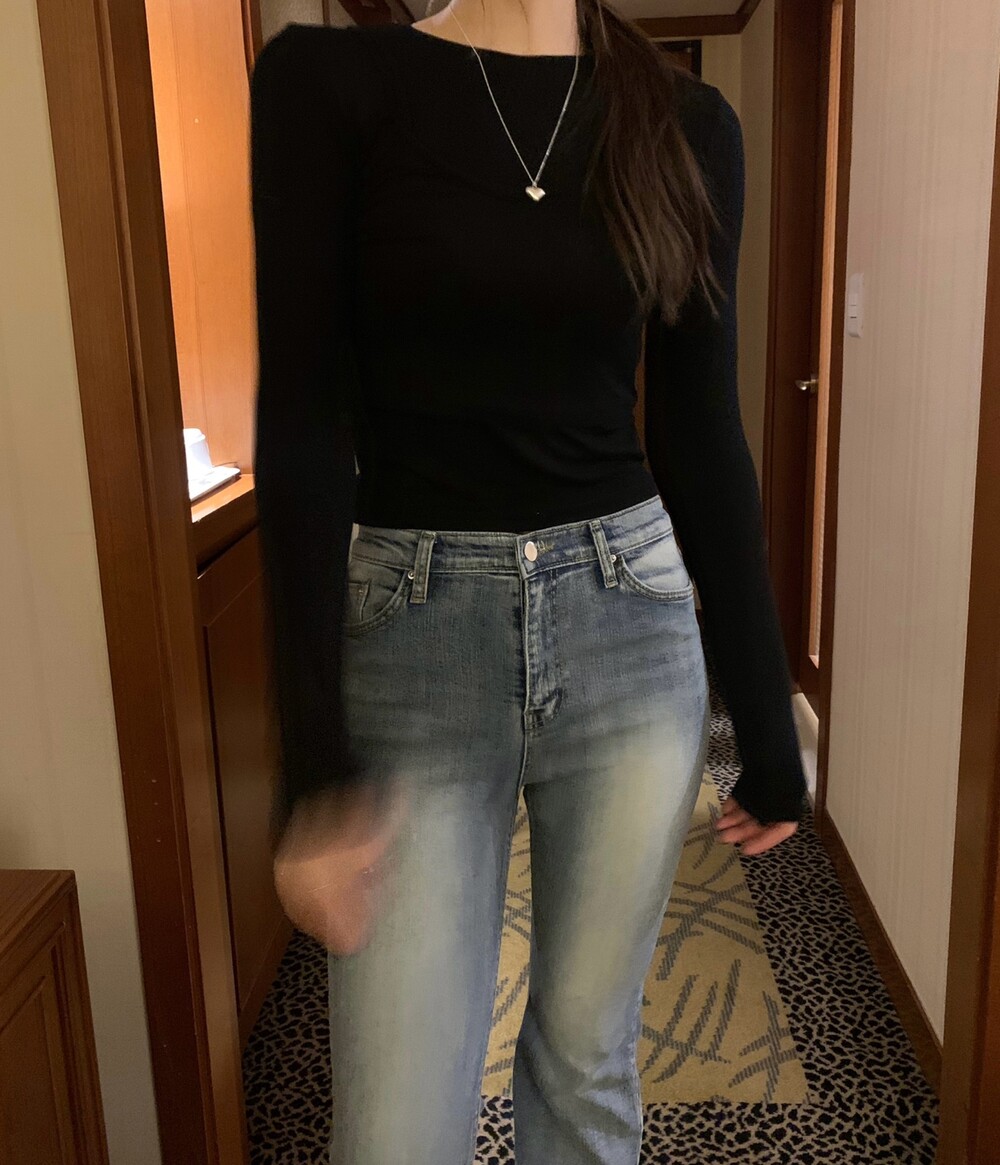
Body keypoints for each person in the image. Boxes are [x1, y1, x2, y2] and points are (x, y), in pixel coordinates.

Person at [249, 1, 806, 1161]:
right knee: (396, 1121)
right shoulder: (331, 83)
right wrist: (311, 772)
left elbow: (701, 432)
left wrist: (765, 718)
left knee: (586, 1066)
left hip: (629, 624)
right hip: (413, 631)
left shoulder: (687, 122)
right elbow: (300, 426)